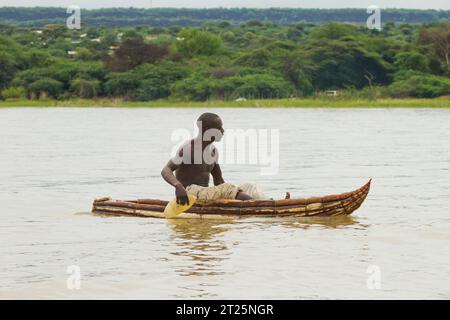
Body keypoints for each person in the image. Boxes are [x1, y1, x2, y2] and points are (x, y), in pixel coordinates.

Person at [161, 113, 253, 205]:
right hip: (190, 195)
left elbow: (219, 181)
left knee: (249, 187)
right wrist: (178, 186)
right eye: (219, 128)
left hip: (206, 194)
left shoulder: (213, 151)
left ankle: (261, 203)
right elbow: (166, 170)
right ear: (207, 129)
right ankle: (253, 204)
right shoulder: (189, 149)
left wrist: (233, 195)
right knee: (228, 189)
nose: (223, 131)